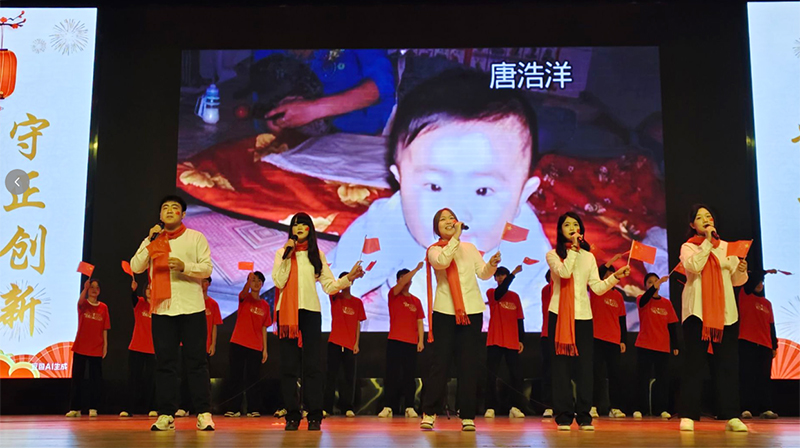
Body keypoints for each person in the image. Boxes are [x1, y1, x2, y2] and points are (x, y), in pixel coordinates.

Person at [327, 68, 550, 332]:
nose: (456, 214)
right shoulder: (388, 224)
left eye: (482, 191)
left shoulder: (524, 241)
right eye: (434, 186)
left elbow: (543, 307)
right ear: (401, 182)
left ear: (522, 196)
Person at [272, 212, 365, 431]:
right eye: (295, 224)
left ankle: (314, 414)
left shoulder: (317, 255)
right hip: (287, 313)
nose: (299, 227)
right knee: (289, 367)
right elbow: (278, 281)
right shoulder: (282, 253)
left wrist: (348, 278)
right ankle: (292, 415)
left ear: (310, 229)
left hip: (311, 312)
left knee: (312, 366)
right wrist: (287, 255)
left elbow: (330, 286)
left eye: (303, 224)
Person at [130, 195, 215, 431]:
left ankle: (204, 413)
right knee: (165, 364)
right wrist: (150, 240)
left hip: (192, 307)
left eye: (175, 207)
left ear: (183, 214)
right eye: (165, 208)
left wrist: (185, 267)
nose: (169, 211)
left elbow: (207, 268)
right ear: (160, 215)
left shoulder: (195, 238)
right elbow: (136, 266)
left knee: (196, 363)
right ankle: (166, 414)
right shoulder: (152, 239)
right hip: (162, 308)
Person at [545, 212, 630, 431]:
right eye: (567, 225)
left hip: (583, 316)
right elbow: (565, 273)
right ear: (560, 230)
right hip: (559, 315)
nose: (572, 227)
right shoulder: (553, 255)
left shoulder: (589, 257)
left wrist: (615, 277)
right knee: (561, 368)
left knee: (585, 369)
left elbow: (597, 288)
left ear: (581, 230)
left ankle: (584, 415)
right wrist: (573, 250)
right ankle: (564, 416)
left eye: (575, 224)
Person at [420, 208, 500, 432]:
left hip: (472, 311)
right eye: (442, 219)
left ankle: (467, 415)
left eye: (451, 218)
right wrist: (455, 239)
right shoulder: (434, 250)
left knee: (468, 365)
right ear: (436, 228)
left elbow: (483, 273)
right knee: (441, 364)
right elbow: (443, 262)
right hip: (445, 312)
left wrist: (492, 264)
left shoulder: (470, 248)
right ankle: (429, 412)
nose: (448, 221)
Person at [678, 204, 748, 432]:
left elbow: (737, 281)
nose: (706, 219)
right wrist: (708, 242)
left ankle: (731, 415)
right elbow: (694, 267)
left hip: (725, 314)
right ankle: (688, 414)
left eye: (708, 216)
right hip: (697, 312)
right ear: (693, 225)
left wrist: (741, 269)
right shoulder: (689, 247)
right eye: (700, 217)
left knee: (727, 365)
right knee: (694, 364)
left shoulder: (727, 247)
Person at [252, 49, 395, 135]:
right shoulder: (266, 53)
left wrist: (313, 109)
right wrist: (274, 120)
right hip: (311, 145)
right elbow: (261, 105)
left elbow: (382, 86)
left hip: (375, 135)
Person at [378, 264, 426, 418]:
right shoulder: (393, 294)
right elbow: (402, 283)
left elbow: (420, 322)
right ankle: (388, 406)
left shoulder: (416, 301)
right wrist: (416, 269)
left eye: (409, 279)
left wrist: (421, 341)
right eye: (404, 279)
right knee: (392, 374)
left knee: (409, 376)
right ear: (398, 280)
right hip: (395, 340)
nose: (407, 281)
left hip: (411, 343)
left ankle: (409, 406)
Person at [484, 265, 528, 419]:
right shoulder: (492, 293)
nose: (501, 277)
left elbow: (519, 318)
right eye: (498, 275)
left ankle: (515, 406)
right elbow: (500, 292)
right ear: (495, 278)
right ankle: (490, 407)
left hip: (512, 340)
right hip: (495, 339)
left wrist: (521, 339)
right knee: (491, 374)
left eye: (503, 275)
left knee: (516, 375)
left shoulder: (515, 296)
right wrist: (513, 274)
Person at [225, 271, 271, 418]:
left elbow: (264, 328)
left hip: (255, 346)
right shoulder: (244, 298)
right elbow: (244, 292)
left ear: (262, 284)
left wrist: (265, 349)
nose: (256, 283)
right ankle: (234, 408)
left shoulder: (265, 305)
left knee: (253, 378)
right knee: (236, 376)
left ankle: (253, 408)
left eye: (258, 281)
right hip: (238, 342)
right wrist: (247, 281)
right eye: (253, 280)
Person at [633, 273, 678, 419]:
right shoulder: (642, 299)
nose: (653, 284)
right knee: (642, 379)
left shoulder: (666, 303)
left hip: (662, 346)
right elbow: (644, 300)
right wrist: (655, 286)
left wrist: (675, 345)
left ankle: (661, 409)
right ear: (646, 285)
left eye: (655, 281)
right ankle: (640, 408)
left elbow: (672, 325)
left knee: (662, 379)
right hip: (645, 345)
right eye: (650, 282)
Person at [177, 276, 222, 417]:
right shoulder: (190, 302)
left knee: (202, 377)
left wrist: (213, 344)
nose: (202, 284)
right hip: (187, 344)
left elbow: (214, 326)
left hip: (204, 346)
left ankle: (202, 409)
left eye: (205, 281)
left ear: (208, 284)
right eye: (200, 281)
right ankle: (184, 406)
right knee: (185, 375)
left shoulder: (213, 304)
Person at [324, 272, 367, 417]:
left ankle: (348, 407)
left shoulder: (357, 302)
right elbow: (332, 289)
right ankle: (327, 407)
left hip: (350, 345)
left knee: (349, 377)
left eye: (349, 280)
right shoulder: (335, 297)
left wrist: (356, 343)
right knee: (331, 376)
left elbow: (358, 324)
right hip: (335, 342)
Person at [589, 260, 628, 419]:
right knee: (595, 374)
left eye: (612, 274)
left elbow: (622, 320)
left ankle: (615, 407)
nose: (610, 277)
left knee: (615, 375)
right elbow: (598, 272)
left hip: (614, 340)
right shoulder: (596, 290)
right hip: (596, 338)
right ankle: (592, 406)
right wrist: (610, 261)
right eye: (607, 274)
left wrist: (623, 340)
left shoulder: (618, 296)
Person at [66, 278, 110, 418]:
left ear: (99, 291)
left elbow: (105, 328)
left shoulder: (103, 307)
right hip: (81, 346)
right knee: (77, 379)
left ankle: (93, 407)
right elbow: (79, 302)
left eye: (96, 287)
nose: (94, 290)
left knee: (95, 380)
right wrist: (84, 289)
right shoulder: (83, 304)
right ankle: (75, 408)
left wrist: (105, 345)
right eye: (91, 287)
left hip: (96, 347)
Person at [738, 271, 779, 420]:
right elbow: (750, 278)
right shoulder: (744, 296)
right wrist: (765, 272)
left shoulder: (767, 303)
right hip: (746, 342)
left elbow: (771, 326)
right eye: (758, 282)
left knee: (764, 378)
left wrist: (774, 346)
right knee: (746, 376)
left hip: (765, 345)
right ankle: (745, 408)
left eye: (762, 283)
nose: (761, 285)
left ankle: (766, 408)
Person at [120, 280, 156, 418]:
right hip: (137, 346)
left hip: (153, 348)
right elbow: (133, 298)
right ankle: (128, 408)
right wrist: (133, 290)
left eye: (152, 288)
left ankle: (152, 407)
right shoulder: (140, 302)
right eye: (147, 288)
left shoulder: (159, 306)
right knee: (133, 379)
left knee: (151, 380)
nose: (149, 290)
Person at [540, 270, 553, 418]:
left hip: (564, 336)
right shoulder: (547, 290)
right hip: (547, 335)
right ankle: (548, 406)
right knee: (548, 371)